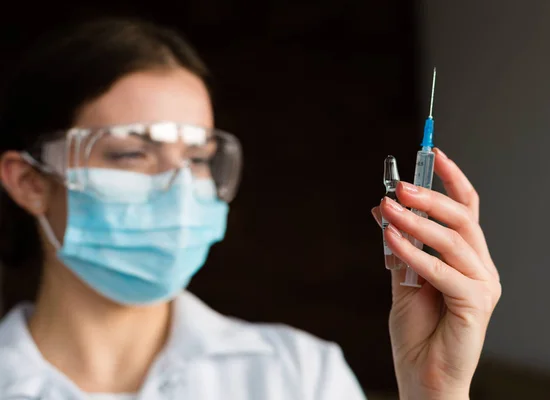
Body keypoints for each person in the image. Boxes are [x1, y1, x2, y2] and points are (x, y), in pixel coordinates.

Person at [0, 17, 500, 400]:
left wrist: (434, 392)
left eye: (198, 158)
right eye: (132, 153)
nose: (178, 188)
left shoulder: (298, 376)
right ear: (29, 182)